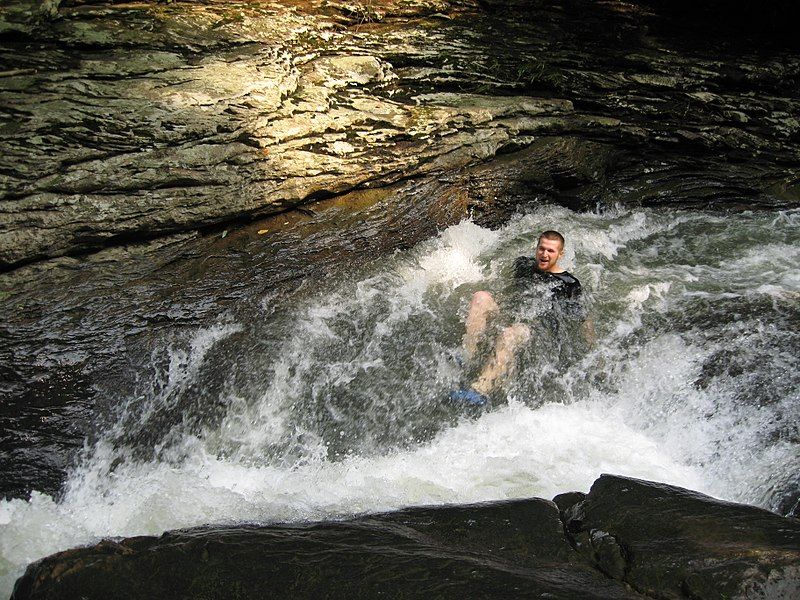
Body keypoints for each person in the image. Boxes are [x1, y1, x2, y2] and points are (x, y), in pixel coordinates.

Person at [450, 230, 590, 406]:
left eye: (551, 251)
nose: (544, 254)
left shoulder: (569, 284)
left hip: (536, 330)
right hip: (513, 313)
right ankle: (469, 358)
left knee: (510, 333)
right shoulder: (524, 265)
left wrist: (592, 351)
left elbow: (583, 320)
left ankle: (480, 390)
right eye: (541, 249)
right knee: (481, 297)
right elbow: (511, 291)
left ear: (560, 254)